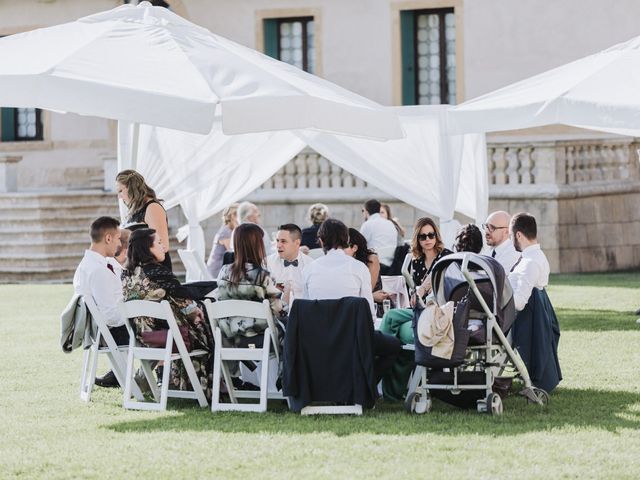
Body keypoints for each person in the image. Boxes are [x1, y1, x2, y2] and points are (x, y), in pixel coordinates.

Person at [302, 219, 401, 384]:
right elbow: (369, 313)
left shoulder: (309, 270)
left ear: (321, 241)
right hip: (353, 338)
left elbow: (305, 310)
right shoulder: (359, 268)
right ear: (346, 240)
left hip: (318, 340)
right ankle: (365, 385)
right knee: (394, 346)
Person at [122, 228, 213, 398]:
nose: (164, 247)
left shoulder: (126, 275)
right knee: (208, 329)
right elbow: (184, 298)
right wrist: (196, 311)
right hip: (169, 338)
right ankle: (210, 387)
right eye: (158, 243)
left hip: (142, 338)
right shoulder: (158, 272)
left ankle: (176, 381)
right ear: (146, 248)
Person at [379, 217, 452, 401]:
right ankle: (391, 393)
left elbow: (435, 286)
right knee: (404, 335)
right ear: (417, 239)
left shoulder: (446, 257)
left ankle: (376, 368)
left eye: (431, 235)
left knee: (390, 317)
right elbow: (411, 289)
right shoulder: (415, 260)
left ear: (436, 235)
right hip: (418, 312)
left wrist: (421, 290)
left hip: (437, 311)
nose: (427, 239)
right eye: (422, 236)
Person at [215, 223, 287, 376]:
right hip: (258, 337)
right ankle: (286, 379)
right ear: (257, 246)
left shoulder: (223, 272)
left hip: (230, 338)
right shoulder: (262, 276)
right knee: (291, 326)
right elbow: (278, 310)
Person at [73, 216, 128, 388]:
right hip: (111, 333)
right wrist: (135, 312)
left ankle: (135, 379)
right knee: (166, 328)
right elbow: (111, 316)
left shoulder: (87, 265)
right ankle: (150, 381)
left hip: (98, 332)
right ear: (108, 238)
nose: (120, 244)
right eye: (118, 238)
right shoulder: (97, 271)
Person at [116, 169, 172, 270]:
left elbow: (163, 245)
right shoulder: (136, 210)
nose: (119, 197)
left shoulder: (152, 208)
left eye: (120, 191)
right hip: (137, 270)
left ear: (131, 187)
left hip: (154, 271)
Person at [508, 213, 550, 311]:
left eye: (510, 235)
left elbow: (519, 303)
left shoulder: (530, 262)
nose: (510, 240)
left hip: (523, 322)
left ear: (518, 235)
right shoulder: (534, 256)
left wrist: (496, 297)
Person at [266, 223, 314, 305]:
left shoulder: (310, 264)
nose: (278, 245)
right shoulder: (268, 263)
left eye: (283, 241)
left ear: (297, 243)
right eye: (277, 241)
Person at [345, 228, 390, 311]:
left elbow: (368, 290)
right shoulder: (343, 263)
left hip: (372, 307)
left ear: (354, 248)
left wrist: (371, 296)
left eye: (344, 246)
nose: (340, 250)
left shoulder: (371, 259)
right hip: (352, 305)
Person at [359, 199, 397, 267]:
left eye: (363, 210)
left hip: (374, 264)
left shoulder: (367, 224)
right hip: (392, 265)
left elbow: (360, 245)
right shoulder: (390, 224)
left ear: (366, 211)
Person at [206, 203, 239, 278]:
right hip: (217, 270)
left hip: (221, 267)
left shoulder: (228, 229)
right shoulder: (225, 232)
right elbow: (233, 252)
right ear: (233, 216)